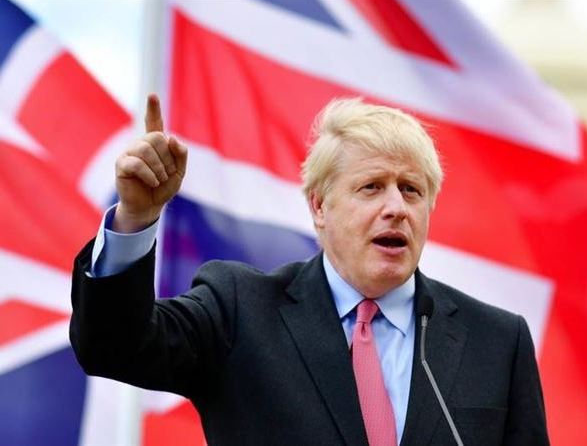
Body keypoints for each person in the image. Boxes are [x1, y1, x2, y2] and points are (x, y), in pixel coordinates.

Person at [70, 95, 549, 446]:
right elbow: (113, 347)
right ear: (320, 206)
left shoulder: (496, 341)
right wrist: (136, 217)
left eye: (411, 190)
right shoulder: (240, 310)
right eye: (371, 187)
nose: (396, 208)